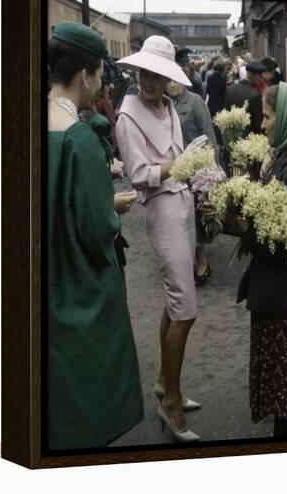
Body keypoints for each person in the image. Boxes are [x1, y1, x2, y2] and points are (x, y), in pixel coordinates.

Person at [47, 21, 143, 451]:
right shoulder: (79, 140)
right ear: (84, 75)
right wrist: (113, 207)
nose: (102, 82)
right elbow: (95, 227)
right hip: (75, 278)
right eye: (101, 74)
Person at [204, 82, 287, 436]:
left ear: (285, 118)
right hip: (277, 295)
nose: (263, 125)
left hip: (286, 298)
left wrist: (236, 223)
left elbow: (285, 242)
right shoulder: (284, 155)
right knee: (286, 401)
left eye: (268, 117)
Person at [116, 35, 203, 443]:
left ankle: (165, 384)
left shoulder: (168, 106)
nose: (148, 82)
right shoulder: (127, 116)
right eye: (143, 73)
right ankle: (170, 401)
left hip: (182, 202)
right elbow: (138, 175)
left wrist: (197, 172)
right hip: (161, 208)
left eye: (157, 74)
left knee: (176, 298)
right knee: (185, 308)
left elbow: (179, 161)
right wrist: (175, 166)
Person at [166, 78, 218, 285]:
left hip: (196, 170)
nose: (171, 85)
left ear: (183, 81)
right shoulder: (166, 103)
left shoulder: (195, 102)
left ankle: (202, 261)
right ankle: (188, 262)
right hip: (173, 170)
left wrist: (211, 170)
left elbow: (209, 136)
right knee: (180, 218)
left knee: (195, 216)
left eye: (175, 81)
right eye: (168, 81)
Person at [225, 60, 266, 136]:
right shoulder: (255, 95)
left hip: (231, 137)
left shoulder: (229, 89)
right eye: (259, 76)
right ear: (252, 75)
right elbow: (259, 123)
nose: (261, 79)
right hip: (248, 140)